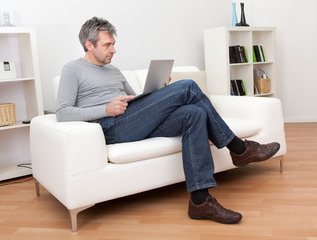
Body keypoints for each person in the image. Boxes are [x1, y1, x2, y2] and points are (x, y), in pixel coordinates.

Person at [56, 17, 280, 224]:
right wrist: (105, 109)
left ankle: (200, 201)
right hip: (111, 127)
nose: (113, 50)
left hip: (133, 119)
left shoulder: (114, 70)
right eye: (107, 45)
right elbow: (63, 112)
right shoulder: (72, 69)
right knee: (188, 86)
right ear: (89, 45)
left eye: (113, 44)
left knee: (195, 113)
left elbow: (135, 100)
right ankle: (238, 148)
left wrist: (159, 94)